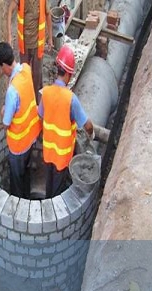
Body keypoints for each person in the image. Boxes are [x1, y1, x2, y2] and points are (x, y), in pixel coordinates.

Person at [38, 45, 94, 198]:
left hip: (48, 152)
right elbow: (87, 125)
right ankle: (51, 217)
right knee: (57, 193)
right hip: (62, 157)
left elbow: (40, 114)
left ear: (57, 69)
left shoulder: (46, 92)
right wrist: (91, 135)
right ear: (69, 74)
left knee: (49, 185)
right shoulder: (71, 99)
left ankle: (47, 207)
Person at [0, 42, 42, 198]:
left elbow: (7, 123)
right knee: (26, 173)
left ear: (4, 65)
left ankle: (18, 206)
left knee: (16, 180)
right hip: (32, 136)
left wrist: (3, 112)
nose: (2, 71)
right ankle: (28, 197)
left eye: (1, 68)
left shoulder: (12, 91)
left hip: (18, 145)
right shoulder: (26, 70)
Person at [7, 0, 53, 104]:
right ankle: (25, 102)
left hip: (38, 45)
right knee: (24, 76)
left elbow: (48, 15)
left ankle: (37, 104)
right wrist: (9, 36)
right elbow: (10, 11)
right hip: (25, 45)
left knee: (37, 75)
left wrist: (50, 38)